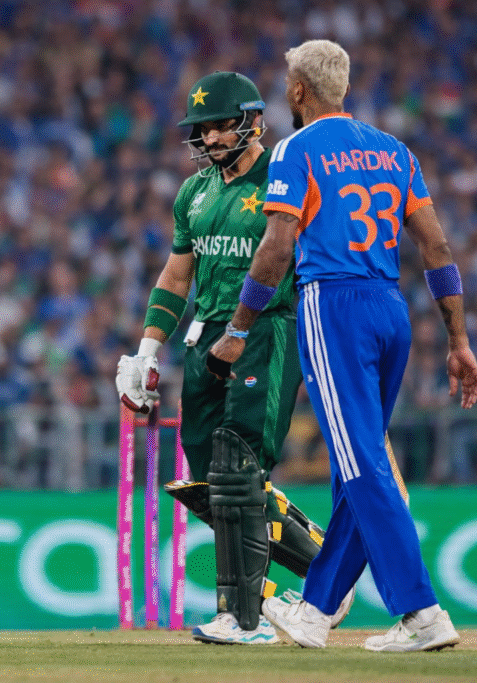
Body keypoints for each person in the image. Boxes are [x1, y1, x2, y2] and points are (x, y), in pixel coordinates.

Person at [208, 40, 477, 652]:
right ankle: (317, 609)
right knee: (355, 467)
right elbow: (436, 249)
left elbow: (278, 248)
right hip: (392, 310)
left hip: (332, 306)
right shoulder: (395, 152)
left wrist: (238, 329)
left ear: (300, 90)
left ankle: (421, 611)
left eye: (287, 82)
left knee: (361, 463)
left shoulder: (295, 150)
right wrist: (459, 339)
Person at [115, 71, 352, 646]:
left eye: (222, 125)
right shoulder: (194, 191)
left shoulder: (285, 176)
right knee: (207, 480)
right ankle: (328, 571)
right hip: (206, 334)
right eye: (203, 128)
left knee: (239, 470)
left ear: (253, 121)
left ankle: (242, 618)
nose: (212, 138)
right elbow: (178, 273)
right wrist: (147, 350)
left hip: (269, 327)